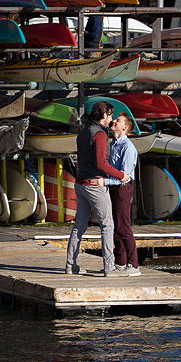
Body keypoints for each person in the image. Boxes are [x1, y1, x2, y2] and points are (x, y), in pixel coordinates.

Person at [65, 100, 130, 276]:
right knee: (107, 225)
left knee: (79, 225)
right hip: (94, 185)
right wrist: (120, 175)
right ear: (103, 115)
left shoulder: (84, 132)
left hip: (80, 183)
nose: (111, 118)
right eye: (110, 115)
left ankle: (70, 265)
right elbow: (101, 164)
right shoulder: (100, 134)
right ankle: (109, 267)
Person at [106, 114, 142, 276]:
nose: (114, 121)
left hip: (122, 189)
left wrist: (104, 182)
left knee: (123, 226)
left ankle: (134, 264)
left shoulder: (127, 147)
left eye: (118, 121)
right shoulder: (113, 144)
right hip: (112, 188)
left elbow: (124, 176)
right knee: (115, 226)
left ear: (125, 128)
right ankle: (120, 262)